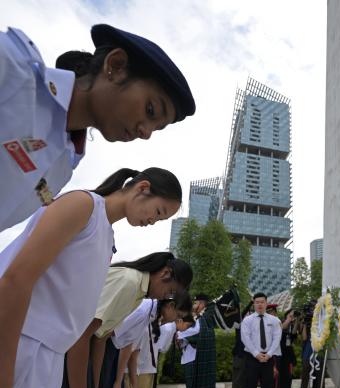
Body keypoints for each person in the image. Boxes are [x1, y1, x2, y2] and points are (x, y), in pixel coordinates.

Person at [0, 166, 182, 388]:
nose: (152, 221)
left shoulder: (107, 237)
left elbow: (79, 320)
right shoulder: (82, 205)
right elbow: (14, 281)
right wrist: (4, 386)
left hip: (49, 358)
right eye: (158, 212)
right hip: (20, 343)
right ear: (142, 189)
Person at [0, 23, 195, 233]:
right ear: (115, 65)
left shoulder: (65, 164)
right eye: (150, 110)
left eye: (157, 128)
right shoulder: (12, 68)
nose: (146, 133)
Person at [108, 293, 191, 388]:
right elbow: (125, 345)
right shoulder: (143, 311)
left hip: (143, 369)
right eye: (178, 315)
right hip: (130, 371)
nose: (176, 320)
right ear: (170, 306)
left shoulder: (153, 316)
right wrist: (120, 379)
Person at [240, 293, 281, 388]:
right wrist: (256, 354)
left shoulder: (274, 320)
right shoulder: (247, 320)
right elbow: (245, 338)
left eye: (262, 302)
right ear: (253, 303)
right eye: (257, 302)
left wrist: (268, 355)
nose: (259, 304)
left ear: (266, 303)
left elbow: (277, 338)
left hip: (268, 358)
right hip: (252, 358)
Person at [176, 294, 217, 388]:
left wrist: (183, 336)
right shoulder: (199, 318)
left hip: (195, 358)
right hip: (189, 357)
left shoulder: (203, 319)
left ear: (201, 304)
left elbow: (197, 334)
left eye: (195, 303)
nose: (193, 305)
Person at [136, 319, 179, 388]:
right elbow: (162, 347)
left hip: (148, 365)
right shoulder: (169, 326)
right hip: (145, 366)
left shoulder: (161, 323)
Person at [232, 304, 253, 388]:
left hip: (249, 356)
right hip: (239, 355)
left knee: (246, 379)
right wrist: (249, 303)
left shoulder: (251, 325)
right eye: (247, 314)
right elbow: (241, 314)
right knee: (237, 380)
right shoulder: (238, 324)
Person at [277, 309, 297, 388]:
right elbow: (281, 328)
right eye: (290, 314)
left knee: (288, 377)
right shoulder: (281, 322)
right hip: (280, 354)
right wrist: (288, 319)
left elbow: (293, 335)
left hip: (289, 355)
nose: (292, 316)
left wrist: (296, 321)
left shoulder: (292, 325)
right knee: (280, 377)